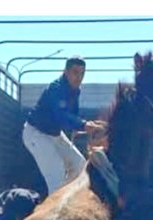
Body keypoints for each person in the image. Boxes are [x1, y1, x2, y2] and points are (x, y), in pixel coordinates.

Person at [23, 57, 107, 194]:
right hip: (36, 134)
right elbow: (61, 116)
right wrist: (84, 125)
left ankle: (68, 200)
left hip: (54, 134)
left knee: (79, 165)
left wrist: (80, 126)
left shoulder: (75, 90)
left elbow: (72, 114)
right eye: (75, 72)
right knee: (56, 173)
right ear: (65, 72)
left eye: (82, 73)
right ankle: (56, 211)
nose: (79, 77)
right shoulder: (56, 89)